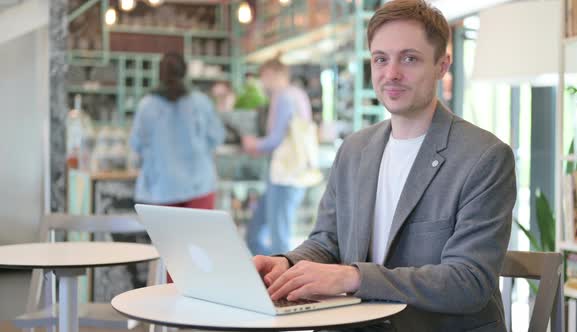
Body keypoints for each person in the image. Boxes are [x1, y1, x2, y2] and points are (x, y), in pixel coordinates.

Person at [251, 1, 517, 331]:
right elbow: (327, 242)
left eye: (409, 58)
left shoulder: (485, 157)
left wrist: (352, 277)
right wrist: (286, 263)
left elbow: (469, 281)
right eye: (381, 59)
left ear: (442, 65)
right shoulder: (354, 149)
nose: (391, 73)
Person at [241, 57, 319, 256]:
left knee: (277, 237)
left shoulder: (283, 96)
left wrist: (253, 144)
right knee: (260, 232)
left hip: (285, 174)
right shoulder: (297, 94)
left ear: (273, 75)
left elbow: (275, 138)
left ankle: (277, 281)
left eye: (264, 77)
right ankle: (267, 276)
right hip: (292, 173)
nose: (263, 82)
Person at [129, 52, 225, 210]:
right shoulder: (200, 102)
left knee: (166, 236)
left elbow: (137, 144)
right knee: (198, 235)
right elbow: (217, 137)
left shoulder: (147, 105)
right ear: (186, 72)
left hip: (162, 186)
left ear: (159, 73)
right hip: (199, 185)